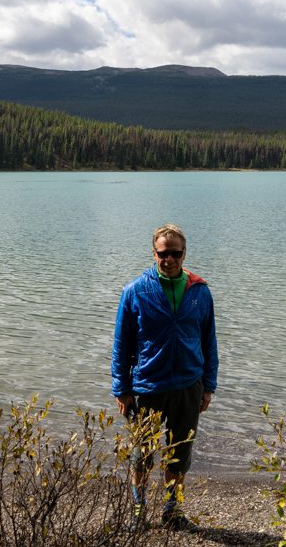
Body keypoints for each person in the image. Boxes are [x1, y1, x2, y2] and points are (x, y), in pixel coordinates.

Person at [111, 223, 218, 532]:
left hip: (188, 386)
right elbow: (121, 344)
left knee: (179, 455)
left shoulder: (199, 291)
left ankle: (172, 511)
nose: (169, 259)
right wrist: (122, 389)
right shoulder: (135, 291)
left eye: (175, 253)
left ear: (184, 255)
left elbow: (209, 341)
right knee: (141, 455)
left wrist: (208, 386)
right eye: (163, 253)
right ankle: (138, 510)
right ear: (153, 253)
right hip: (147, 386)